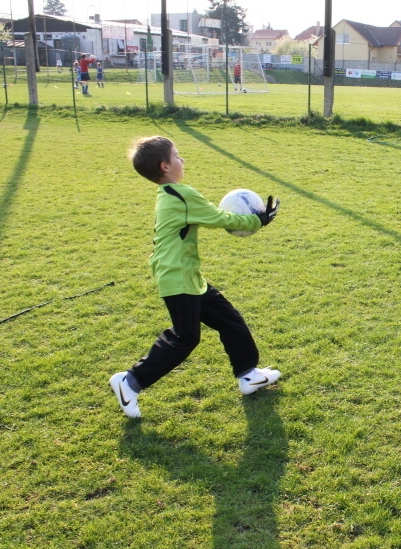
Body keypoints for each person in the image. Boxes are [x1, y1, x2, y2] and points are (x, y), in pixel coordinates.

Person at [110, 136, 282, 418]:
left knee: (229, 319)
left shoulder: (169, 194)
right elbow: (221, 219)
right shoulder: (182, 194)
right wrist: (258, 220)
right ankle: (130, 382)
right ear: (165, 165)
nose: (182, 160)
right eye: (177, 156)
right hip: (177, 277)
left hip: (185, 275)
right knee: (185, 337)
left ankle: (248, 374)